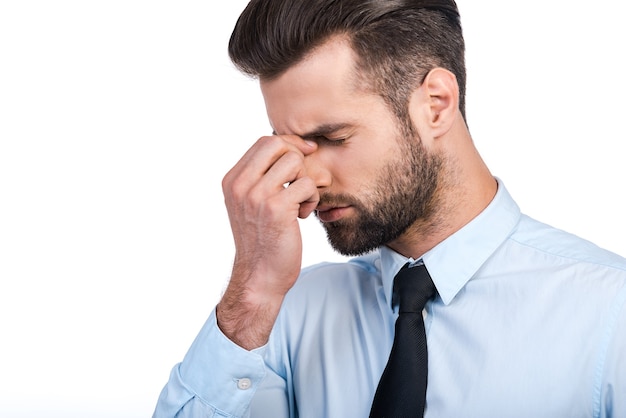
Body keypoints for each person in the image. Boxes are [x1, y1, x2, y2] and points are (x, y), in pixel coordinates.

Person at [153, 0, 626, 416]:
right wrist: (251, 294)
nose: (307, 178)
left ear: (437, 105)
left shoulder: (609, 313)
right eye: (289, 145)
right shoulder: (284, 316)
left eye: (331, 138)